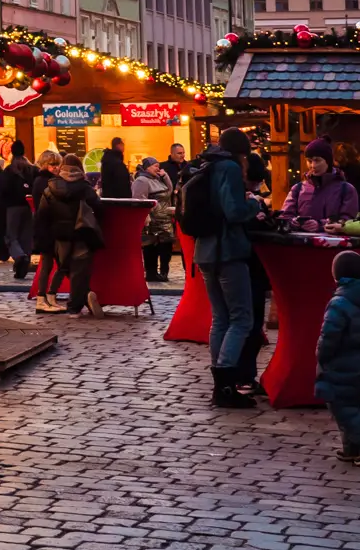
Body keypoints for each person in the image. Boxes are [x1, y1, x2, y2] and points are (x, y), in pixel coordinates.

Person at [191, 126, 263, 408]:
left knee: (221, 318)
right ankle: (226, 384)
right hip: (228, 251)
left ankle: (220, 382)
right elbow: (233, 212)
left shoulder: (207, 164)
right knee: (241, 319)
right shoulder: (230, 168)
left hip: (205, 251)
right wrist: (254, 205)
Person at [37, 153, 102, 316]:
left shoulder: (50, 188)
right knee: (80, 270)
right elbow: (98, 206)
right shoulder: (84, 187)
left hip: (59, 236)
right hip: (81, 233)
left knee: (65, 268)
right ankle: (77, 304)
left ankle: (80, 299)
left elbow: (42, 215)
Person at [317, 250, 360, 459]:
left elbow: (329, 336)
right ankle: (351, 449)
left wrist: (321, 356)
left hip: (342, 368)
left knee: (345, 409)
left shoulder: (339, 303)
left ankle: (357, 444)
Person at [280, 139, 359, 229]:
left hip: (333, 241)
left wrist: (321, 224)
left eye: (317, 160)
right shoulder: (297, 189)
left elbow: (348, 220)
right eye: (309, 161)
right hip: (299, 241)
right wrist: (293, 222)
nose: (313, 166)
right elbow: (285, 216)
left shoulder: (346, 189)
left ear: (328, 162)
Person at [29, 146, 64, 309]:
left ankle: (46, 297)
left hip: (45, 226)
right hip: (48, 227)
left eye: (58, 164)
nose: (56, 167)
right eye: (52, 164)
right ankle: (45, 297)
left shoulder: (41, 180)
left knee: (51, 263)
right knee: (55, 263)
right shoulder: (47, 182)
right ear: (44, 165)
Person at [134, 155, 176, 282]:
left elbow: (169, 191)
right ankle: (152, 272)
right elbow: (139, 199)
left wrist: (165, 176)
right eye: (155, 166)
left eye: (159, 166)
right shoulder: (142, 180)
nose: (158, 168)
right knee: (151, 247)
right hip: (152, 220)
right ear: (147, 167)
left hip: (165, 218)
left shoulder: (158, 179)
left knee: (166, 246)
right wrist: (146, 215)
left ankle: (164, 272)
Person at [2, 141, 37, 280]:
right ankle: (25, 261)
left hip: (12, 207)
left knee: (12, 236)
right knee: (26, 236)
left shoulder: (9, 170)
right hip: (29, 206)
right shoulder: (33, 170)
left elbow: (3, 189)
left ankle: (19, 257)